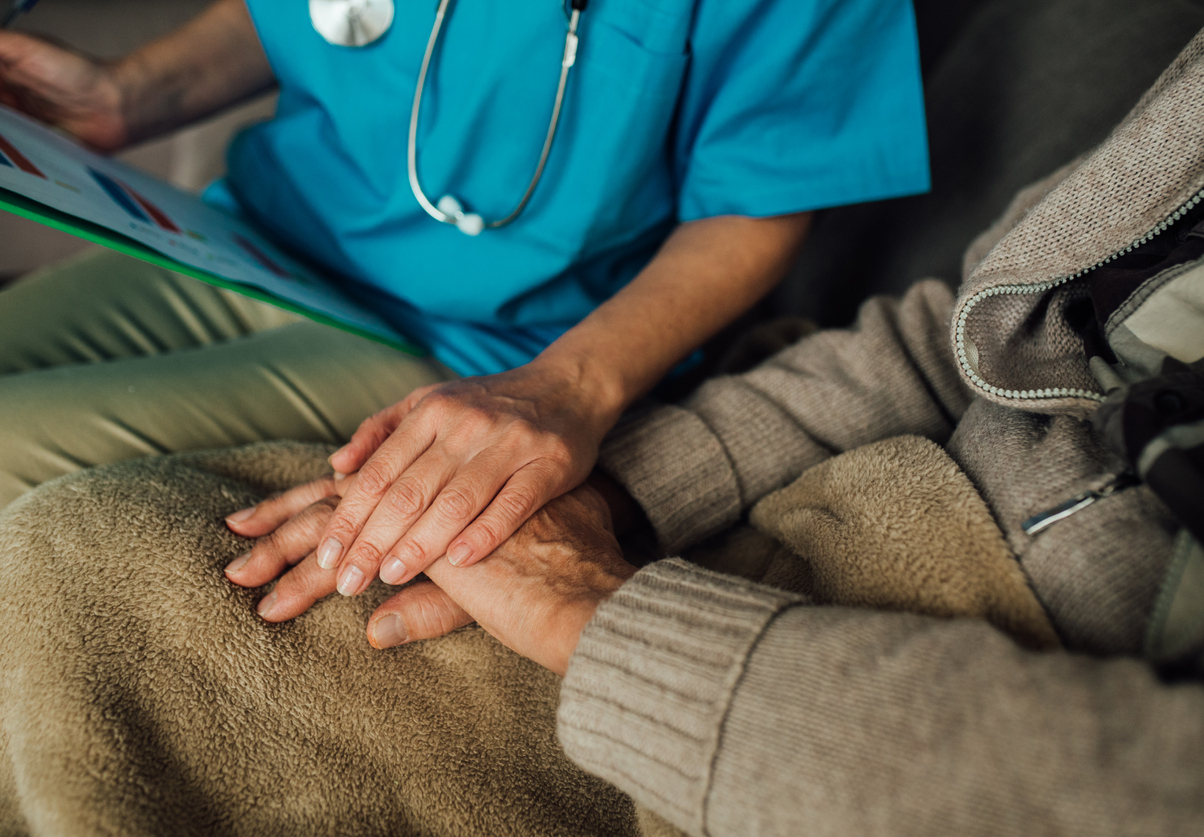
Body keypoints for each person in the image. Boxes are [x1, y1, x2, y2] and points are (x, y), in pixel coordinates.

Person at [225, 1, 1204, 832]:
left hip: (867, 679)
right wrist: (617, 489)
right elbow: (965, 326)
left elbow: (1197, 783)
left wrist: (586, 602)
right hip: (793, 465)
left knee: (151, 584)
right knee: (104, 551)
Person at [0, 0, 929, 606]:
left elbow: (760, 203)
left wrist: (569, 388)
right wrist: (134, 93)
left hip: (476, 349)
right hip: (253, 238)